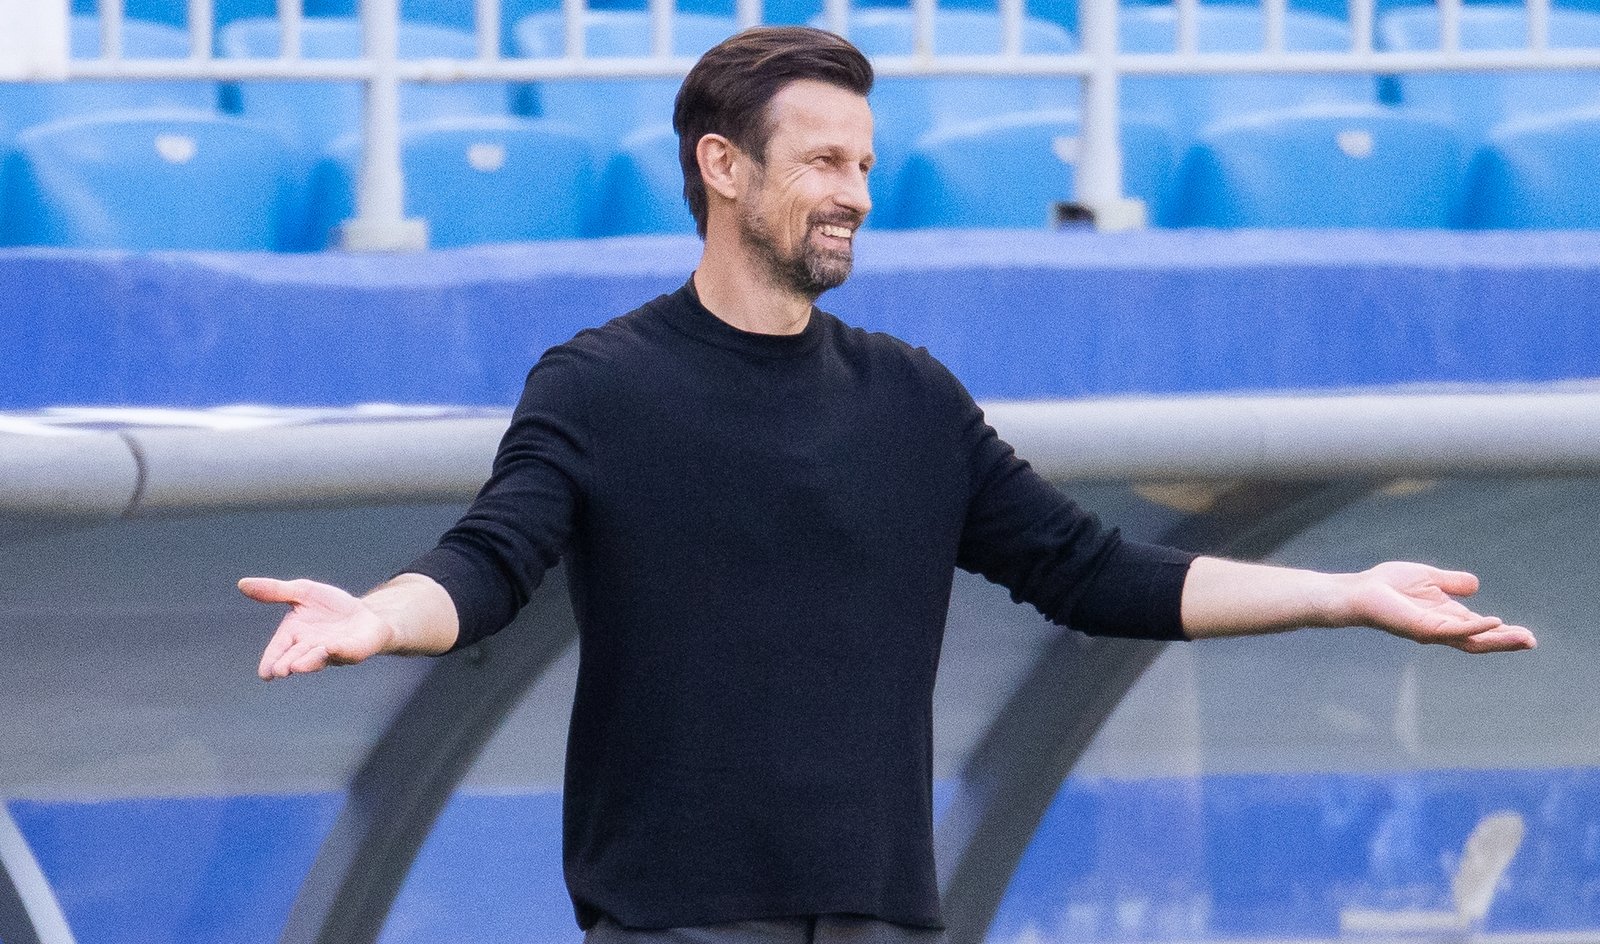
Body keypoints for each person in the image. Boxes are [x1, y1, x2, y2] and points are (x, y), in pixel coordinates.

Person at [239, 25, 1536, 944]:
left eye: (864, 165)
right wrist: (376, 616)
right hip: (673, 919)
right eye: (823, 163)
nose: (855, 194)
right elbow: (488, 562)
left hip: (885, 912)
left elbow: (1092, 572)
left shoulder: (910, 398)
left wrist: (1342, 593)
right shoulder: (601, 384)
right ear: (723, 167)